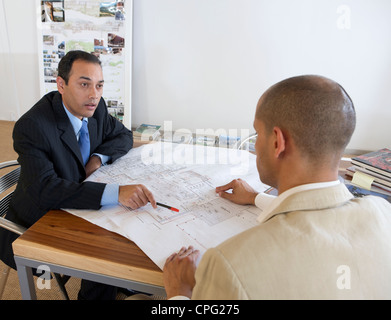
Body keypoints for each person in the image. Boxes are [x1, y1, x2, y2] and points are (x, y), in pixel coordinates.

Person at [163, 75, 391, 299]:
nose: (255, 142)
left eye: (257, 132)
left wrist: (179, 292)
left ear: (276, 142)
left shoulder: (230, 265)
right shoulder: (383, 212)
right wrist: (256, 198)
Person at [0, 50, 156, 299]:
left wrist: (97, 159)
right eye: (84, 84)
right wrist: (116, 193)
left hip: (74, 203)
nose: (94, 94)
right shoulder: (33, 126)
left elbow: (123, 135)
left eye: (99, 85)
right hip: (36, 223)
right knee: (106, 246)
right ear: (61, 84)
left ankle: (117, 281)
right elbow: (46, 189)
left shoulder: (96, 107)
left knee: (131, 224)